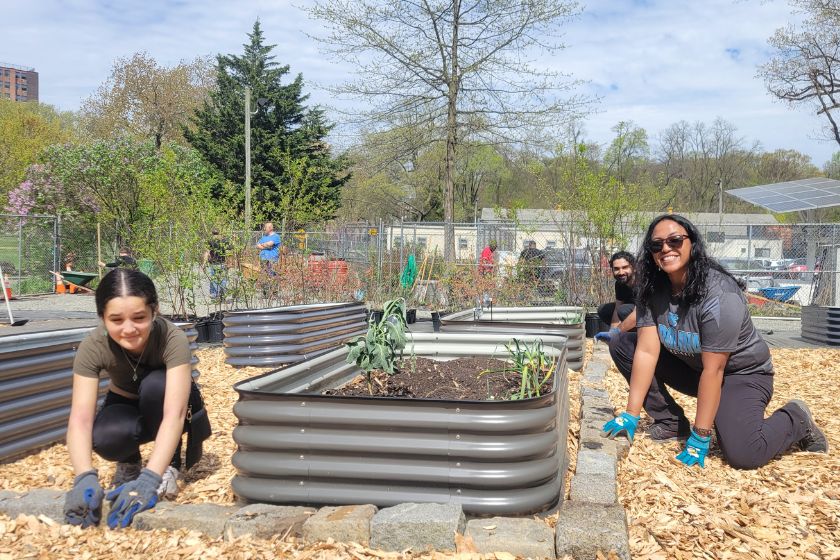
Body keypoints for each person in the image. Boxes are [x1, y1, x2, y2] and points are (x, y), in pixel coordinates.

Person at [602, 214, 828, 469]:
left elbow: (715, 369)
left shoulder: (718, 293)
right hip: (695, 369)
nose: (666, 248)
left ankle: (796, 418)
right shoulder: (652, 288)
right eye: (657, 245)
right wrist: (631, 415)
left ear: (692, 243)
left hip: (741, 374)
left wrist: (701, 435)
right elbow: (645, 351)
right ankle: (670, 423)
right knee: (623, 344)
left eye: (675, 240)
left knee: (744, 454)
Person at [63, 268, 208, 529]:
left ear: (155, 311)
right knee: (105, 437)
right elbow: (80, 419)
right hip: (127, 400)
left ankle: (168, 465)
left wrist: (150, 479)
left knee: (154, 385)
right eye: (116, 320)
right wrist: (83, 476)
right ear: (102, 318)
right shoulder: (93, 346)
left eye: (139, 317)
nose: (128, 329)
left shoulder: (171, 339)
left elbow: (174, 415)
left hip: (166, 401)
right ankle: (129, 463)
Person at [594, 251, 637, 342]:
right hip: (630, 310)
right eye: (616, 269)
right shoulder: (620, 284)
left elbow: (640, 313)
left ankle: (636, 338)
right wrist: (611, 333)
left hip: (647, 315)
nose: (621, 272)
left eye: (625, 267)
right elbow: (617, 308)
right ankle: (621, 338)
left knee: (623, 310)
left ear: (633, 267)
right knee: (604, 309)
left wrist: (617, 331)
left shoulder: (642, 281)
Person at [204, 229, 230, 301]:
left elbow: (207, 252)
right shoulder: (224, 241)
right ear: (220, 233)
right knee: (223, 279)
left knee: (214, 279)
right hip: (222, 263)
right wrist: (229, 262)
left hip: (214, 263)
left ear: (212, 233)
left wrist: (204, 263)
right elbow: (230, 251)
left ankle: (215, 295)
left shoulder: (210, 241)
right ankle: (222, 294)